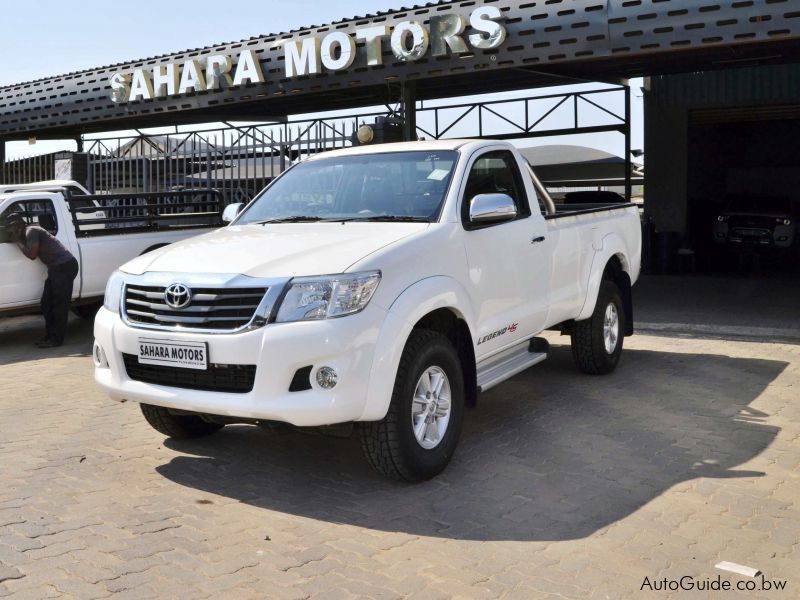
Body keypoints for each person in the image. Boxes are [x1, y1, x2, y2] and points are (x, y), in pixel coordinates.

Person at [6, 212, 79, 348]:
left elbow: (32, 255)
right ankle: (50, 335)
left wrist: (17, 242)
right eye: (9, 228)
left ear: (21, 224)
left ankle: (56, 340)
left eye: (13, 226)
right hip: (56, 269)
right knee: (46, 304)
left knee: (59, 306)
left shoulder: (31, 231)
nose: (12, 230)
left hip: (64, 267)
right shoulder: (26, 234)